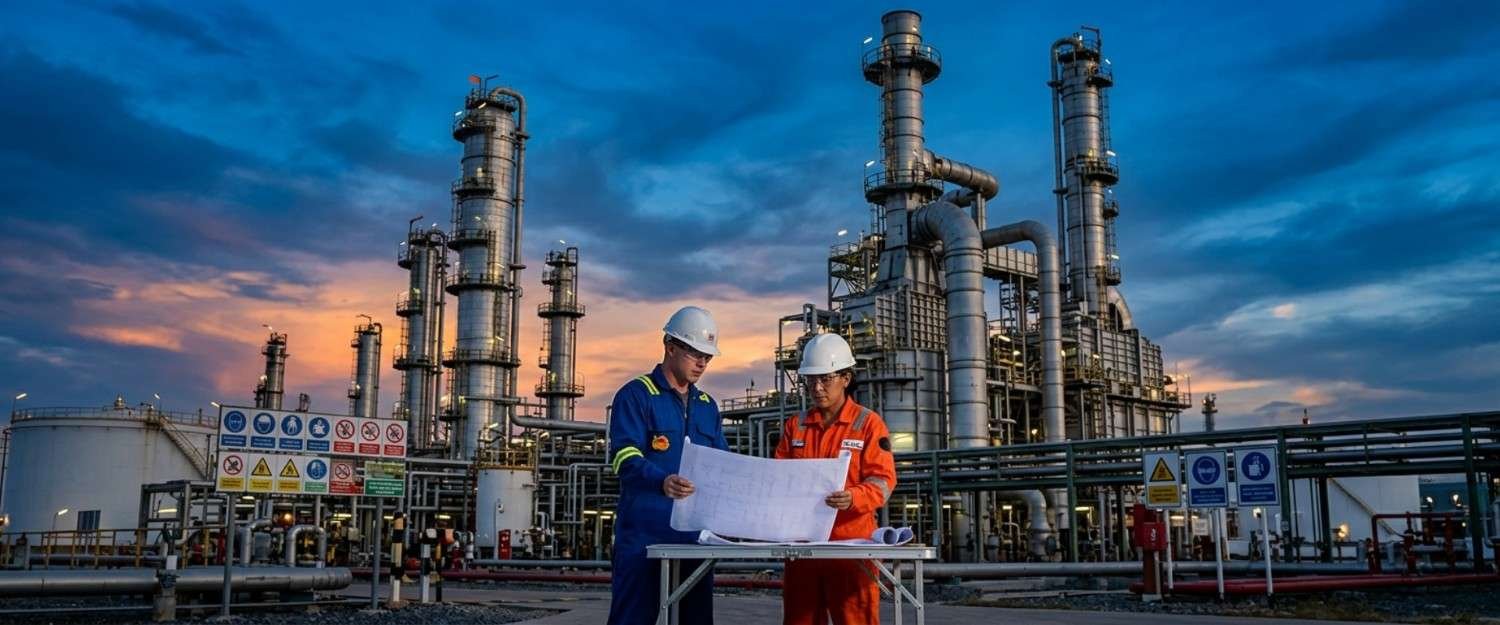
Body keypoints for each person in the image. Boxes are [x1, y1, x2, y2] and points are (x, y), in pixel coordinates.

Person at [607, 306, 729, 625]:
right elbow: (623, 456)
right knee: (633, 618)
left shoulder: (707, 406)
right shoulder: (636, 396)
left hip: (693, 538)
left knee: (696, 619)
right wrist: (661, 481)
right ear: (670, 346)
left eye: (708, 356)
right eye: (695, 352)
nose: (703, 362)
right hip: (645, 534)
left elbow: (723, 465)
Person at [775, 333, 897, 625]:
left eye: (825, 379)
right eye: (811, 380)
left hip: (851, 548)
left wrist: (854, 497)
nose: (817, 388)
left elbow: (883, 481)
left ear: (846, 378)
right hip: (802, 549)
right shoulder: (797, 426)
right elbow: (778, 478)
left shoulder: (868, 425)